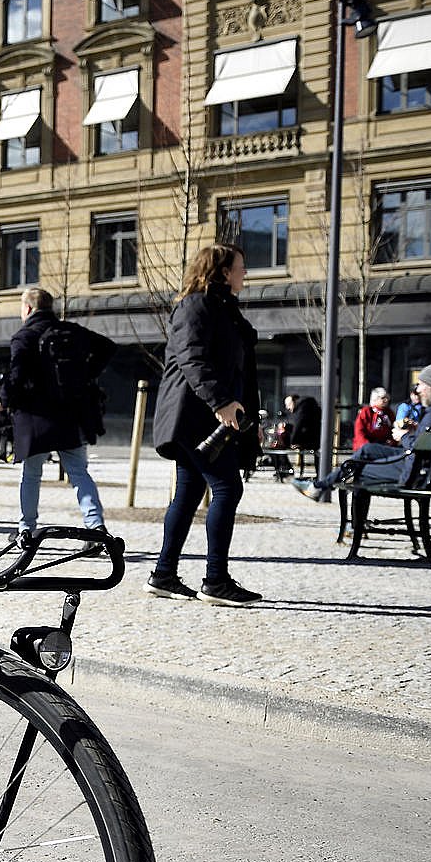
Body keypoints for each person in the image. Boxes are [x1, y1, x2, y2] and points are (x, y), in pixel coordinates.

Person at [146, 242, 262, 607]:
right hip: (194, 415)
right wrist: (221, 402)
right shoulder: (195, 305)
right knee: (227, 488)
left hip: (210, 417)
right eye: (241, 267)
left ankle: (163, 575)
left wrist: (250, 418)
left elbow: (241, 371)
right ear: (223, 271)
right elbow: (192, 358)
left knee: (189, 492)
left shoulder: (224, 310)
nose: (246, 273)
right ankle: (215, 580)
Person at [2, 286, 116, 539]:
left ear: (28, 308)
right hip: (72, 416)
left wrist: (4, 398)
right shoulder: (71, 331)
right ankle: (96, 527)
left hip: (36, 419)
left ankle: (26, 530)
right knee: (79, 472)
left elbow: (16, 373)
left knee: (31, 475)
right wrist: (85, 375)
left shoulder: (24, 336)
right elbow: (108, 347)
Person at [293, 363, 431, 499]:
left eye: (421, 385)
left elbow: (418, 448)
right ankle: (318, 486)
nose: (419, 390)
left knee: (357, 469)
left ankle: (353, 524)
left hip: (425, 470)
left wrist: (403, 435)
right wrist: (417, 429)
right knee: (367, 451)